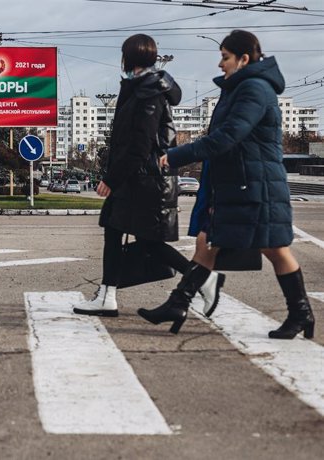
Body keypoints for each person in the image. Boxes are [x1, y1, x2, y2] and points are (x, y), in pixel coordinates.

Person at [138, 30, 315, 340]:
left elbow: (226, 137)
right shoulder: (240, 89)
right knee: (207, 241)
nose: (220, 64)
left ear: (243, 59)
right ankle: (178, 303)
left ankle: (301, 313)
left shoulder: (255, 89)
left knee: (275, 248)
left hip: (256, 185)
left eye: (225, 57)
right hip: (241, 184)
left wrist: (175, 155)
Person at [74, 34, 224, 317]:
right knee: (117, 233)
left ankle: (202, 279)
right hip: (139, 178)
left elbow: (140, 145)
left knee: (146, 242)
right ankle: (107, 296)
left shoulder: (149, 91)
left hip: (145, 180)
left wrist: (112, 179)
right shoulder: (139, 87)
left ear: (128, 58)